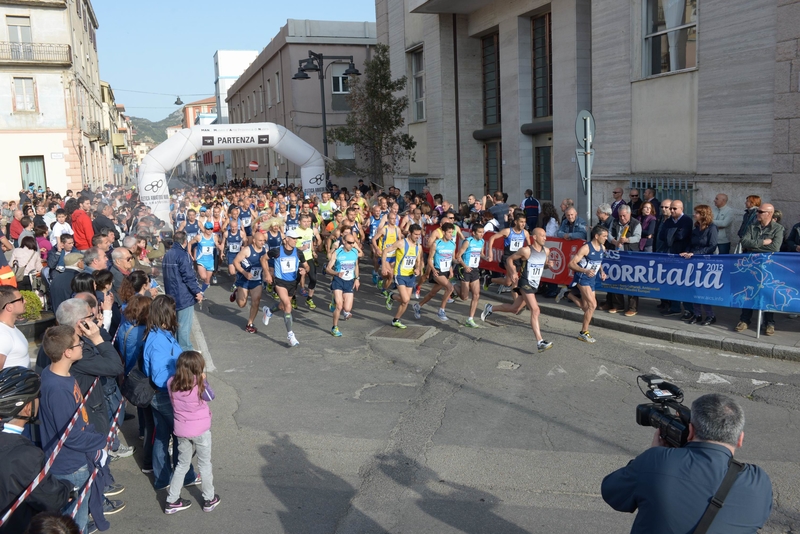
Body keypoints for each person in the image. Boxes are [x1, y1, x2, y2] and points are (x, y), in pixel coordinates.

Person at [601, 393, 772, 534]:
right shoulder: (759, 482)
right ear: (740, 439)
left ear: (690, 431)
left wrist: (652, 454)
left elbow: (611, 492)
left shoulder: (655, 461)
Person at [39, 325, 113, 533]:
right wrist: (101, 441)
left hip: (73, 459)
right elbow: (70, 437)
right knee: (74, 521)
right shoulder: (58, 389)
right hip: (71, 465)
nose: (82, 345)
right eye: (78, 343)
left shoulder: (56, 374)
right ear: (67, 352)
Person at [0, 367, 73, 534]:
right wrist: (68, 488)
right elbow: (51, 498)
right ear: (27, 408)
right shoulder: (26, 455)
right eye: (37, 397)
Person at [142, 295, 199, 492]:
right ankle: (185, 475)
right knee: (181, 438)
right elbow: (159, 376)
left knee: (162, 436)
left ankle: (162, 478)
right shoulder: (159, 341)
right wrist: (181, 379)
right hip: (165, 396)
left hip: (162, 396)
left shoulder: (159, 334)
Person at [164, 351, 220, 514]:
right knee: (204, 464)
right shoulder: (199, 384)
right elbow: (210, 396)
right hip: (201, 430)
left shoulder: (171, 383)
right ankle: (209, 499)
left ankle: (172, 500)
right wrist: (204, 380)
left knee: (181, 464)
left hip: (181, 430)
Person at [480, 228, 554, 353]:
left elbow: (543, 264)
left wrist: (548, 265)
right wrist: (513, 272)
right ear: (534, 237)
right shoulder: (525, 251)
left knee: (515, 308)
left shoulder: (546, 251)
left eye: (545, 236)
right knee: (535, 310)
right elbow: (509, 259)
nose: (545, 238)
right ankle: (540, 342)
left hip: (534, 285)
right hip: (525, 284)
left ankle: (490, 308)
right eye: (542, 236)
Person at [735, 203, 784, 335]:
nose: (757, 214)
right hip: (751, 264)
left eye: (760, 212)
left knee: (768, 292)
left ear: (769, 213)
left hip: (769, 265)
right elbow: (744, 242)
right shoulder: (752, 226)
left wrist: (753, 246)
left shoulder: (778, 228)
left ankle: (769, 323)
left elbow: (775, 248)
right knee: (748, 291)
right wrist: (763, 242)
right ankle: (745, 320)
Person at [263, 229, 309, 347]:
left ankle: (269, 311)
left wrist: (305, 270)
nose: (295, 241)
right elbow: (263, 259)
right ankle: (290, 335)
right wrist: (267, 273)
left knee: (283, 306)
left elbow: (307, 266)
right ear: (286, 239)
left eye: (296, 239)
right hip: (280, 282)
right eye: (293, 239)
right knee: (288, 306)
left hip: (292, 283)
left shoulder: (299, 253)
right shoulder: (277, 251)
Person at [162, 232, 203, 352]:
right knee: (184, 325)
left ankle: (175, 348)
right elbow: (188, 276)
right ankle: (185, 350)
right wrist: (197, 291)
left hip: (170, 293)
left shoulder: (168, 254)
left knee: (174, 324)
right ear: (185, 241)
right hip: (183, 294)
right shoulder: (183, 255)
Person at [567, 225, 609, 343]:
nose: (606, 238)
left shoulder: (602, 247)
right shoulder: (586, 248)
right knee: (592, 305)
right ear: (596, 236)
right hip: (582, 278)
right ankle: (583, 332)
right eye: (604, 236)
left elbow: (598, 262)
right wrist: (585, 270)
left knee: (586, 307)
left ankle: (569, 295)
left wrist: (602, 271)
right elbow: (571, 264)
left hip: (592, 279)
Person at [680, 205, 719, 325]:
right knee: (694, 288)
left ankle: (710, 315)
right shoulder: (696, 228)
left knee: (703, 290)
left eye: (697, 213)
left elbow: (712, 246)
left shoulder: (712, 228)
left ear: (703, 214)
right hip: (693, 261)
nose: (694, 215)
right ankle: (697, 314)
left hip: (705, 261)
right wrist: (686, 252)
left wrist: (695, 253)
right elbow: (690, 243)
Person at [382, 224, 423, 329]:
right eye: (415, 234)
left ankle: (396, 320)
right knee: (405, 299)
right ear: (410, 233)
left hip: (410, 276)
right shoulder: (401, 243)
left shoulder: (418, 247)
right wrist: (384, 267)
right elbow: (385, 251)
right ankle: (391, 296)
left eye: (419, 234)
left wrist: (418, 269)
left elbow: (418, 261)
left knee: (406, 301)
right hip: (400, 275)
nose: (417, 237)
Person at [414, 222, 457, 322]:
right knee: (450, 288)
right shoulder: (436, 244)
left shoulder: (452, 244)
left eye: (452, 232)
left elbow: (451, 258)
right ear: (443, 232)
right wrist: (433, 270)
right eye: (449, 232)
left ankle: (418, 305)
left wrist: (452, 268)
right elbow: (429, 259)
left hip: (445, 272)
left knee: (432, 293)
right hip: (437, 271)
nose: (451, 234)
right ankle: (441, 310)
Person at [607, 205, 642, 316]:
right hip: (616, 254)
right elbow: (608, 234)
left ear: (629, 214)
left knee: (631, 281)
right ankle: (618, 305)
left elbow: (637, 237)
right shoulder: (615, 222)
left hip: (630, 255)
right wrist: (614, 241)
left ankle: (632, 307)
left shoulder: (636, 223)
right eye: (620, 215)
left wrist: (627, 240)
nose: (622, 218)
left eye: (624, 216)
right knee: (616, 280)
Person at [454, 223, 491, 328]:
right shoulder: (467, 242)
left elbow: (481, 253)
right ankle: (453, 286)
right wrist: (465, 266)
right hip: (465, 269)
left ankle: (470, 319)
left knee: (476, 295)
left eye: (483, 232)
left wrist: (486, 258)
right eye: (479, 232)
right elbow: (458, 256)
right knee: (464, 297)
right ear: (473, 233)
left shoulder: (482, 241)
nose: (482, 234)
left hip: (474, 270)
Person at [231, 230, 268, 334]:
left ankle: (250, 324)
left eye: (264, 240)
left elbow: (266, 264)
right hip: (244, 280)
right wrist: (244, 273)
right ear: (254, 241)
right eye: (260, 240)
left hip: (256, 281)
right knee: (242, 304)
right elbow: (235, 262)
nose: (262, 242)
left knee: (256, 301)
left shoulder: (265, 251)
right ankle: (237, 291)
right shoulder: (247, 250)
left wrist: (267, 275)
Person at [483, 212, 530, 291]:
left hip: (518, 258)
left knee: (508, 282)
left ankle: (489, 279)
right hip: (508, 257)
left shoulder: (525, 233)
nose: (523, 224)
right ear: (516, 222)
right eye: (521, 222)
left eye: (524, 222)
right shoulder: (508, 231)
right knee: (515, 278)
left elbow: (529, 247)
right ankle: (516, 302)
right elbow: (492, 238)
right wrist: (490, 252)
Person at [325, 233, 360, 337]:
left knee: (347, 309)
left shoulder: (354, 252)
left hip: (349, 281)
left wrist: (357, 279)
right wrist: (336, 273)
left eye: (353, 243)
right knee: (339, 306)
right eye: (349, 243)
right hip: (338, 280)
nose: (351, 245)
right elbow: (328, 269)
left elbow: (356, 266)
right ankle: (334, 327)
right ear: (344, 242)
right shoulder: (337, 252)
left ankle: (334, 301)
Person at [0, 287, 30, 370]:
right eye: (21, 299)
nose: (25, 302)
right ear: (9, 307)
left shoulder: (9, 328)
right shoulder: (3, 336)